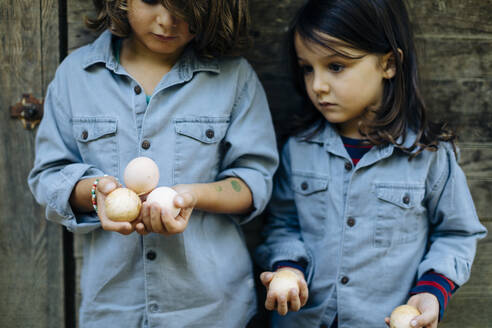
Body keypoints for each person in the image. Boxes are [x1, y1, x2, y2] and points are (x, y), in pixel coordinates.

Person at [28, 0, 279, 327]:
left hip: (210, 308)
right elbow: (49, 176)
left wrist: (190, 196)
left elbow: (253, 181)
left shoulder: (234, 77)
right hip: (113, 307)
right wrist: (97, 193)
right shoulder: (76, 76)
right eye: (150, 1)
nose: (167, 21)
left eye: (187, 5)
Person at [254, 0, 487, 327]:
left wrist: (432, 290)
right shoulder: (299, 150)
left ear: (388, 64)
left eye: (335, 66)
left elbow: (457, 232)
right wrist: (289, 267)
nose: (318, 85)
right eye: (308, 68)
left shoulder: (428, 156)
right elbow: (283, 224)